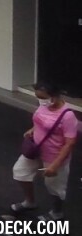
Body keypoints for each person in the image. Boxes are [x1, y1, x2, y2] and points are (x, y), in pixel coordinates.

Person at [10, 82, 77, 222]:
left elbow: (70, 143)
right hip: (36, 150)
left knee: (54, 187)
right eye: (38, 97)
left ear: (55, 96)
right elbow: (40, 120)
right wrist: (33, 130)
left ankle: (57, 213)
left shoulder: (68, 116)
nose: (41, 101)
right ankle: (30, 202)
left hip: (54, 157)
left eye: (43, 97)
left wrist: (55, 166)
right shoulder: (44, 105)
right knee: (20, 172)